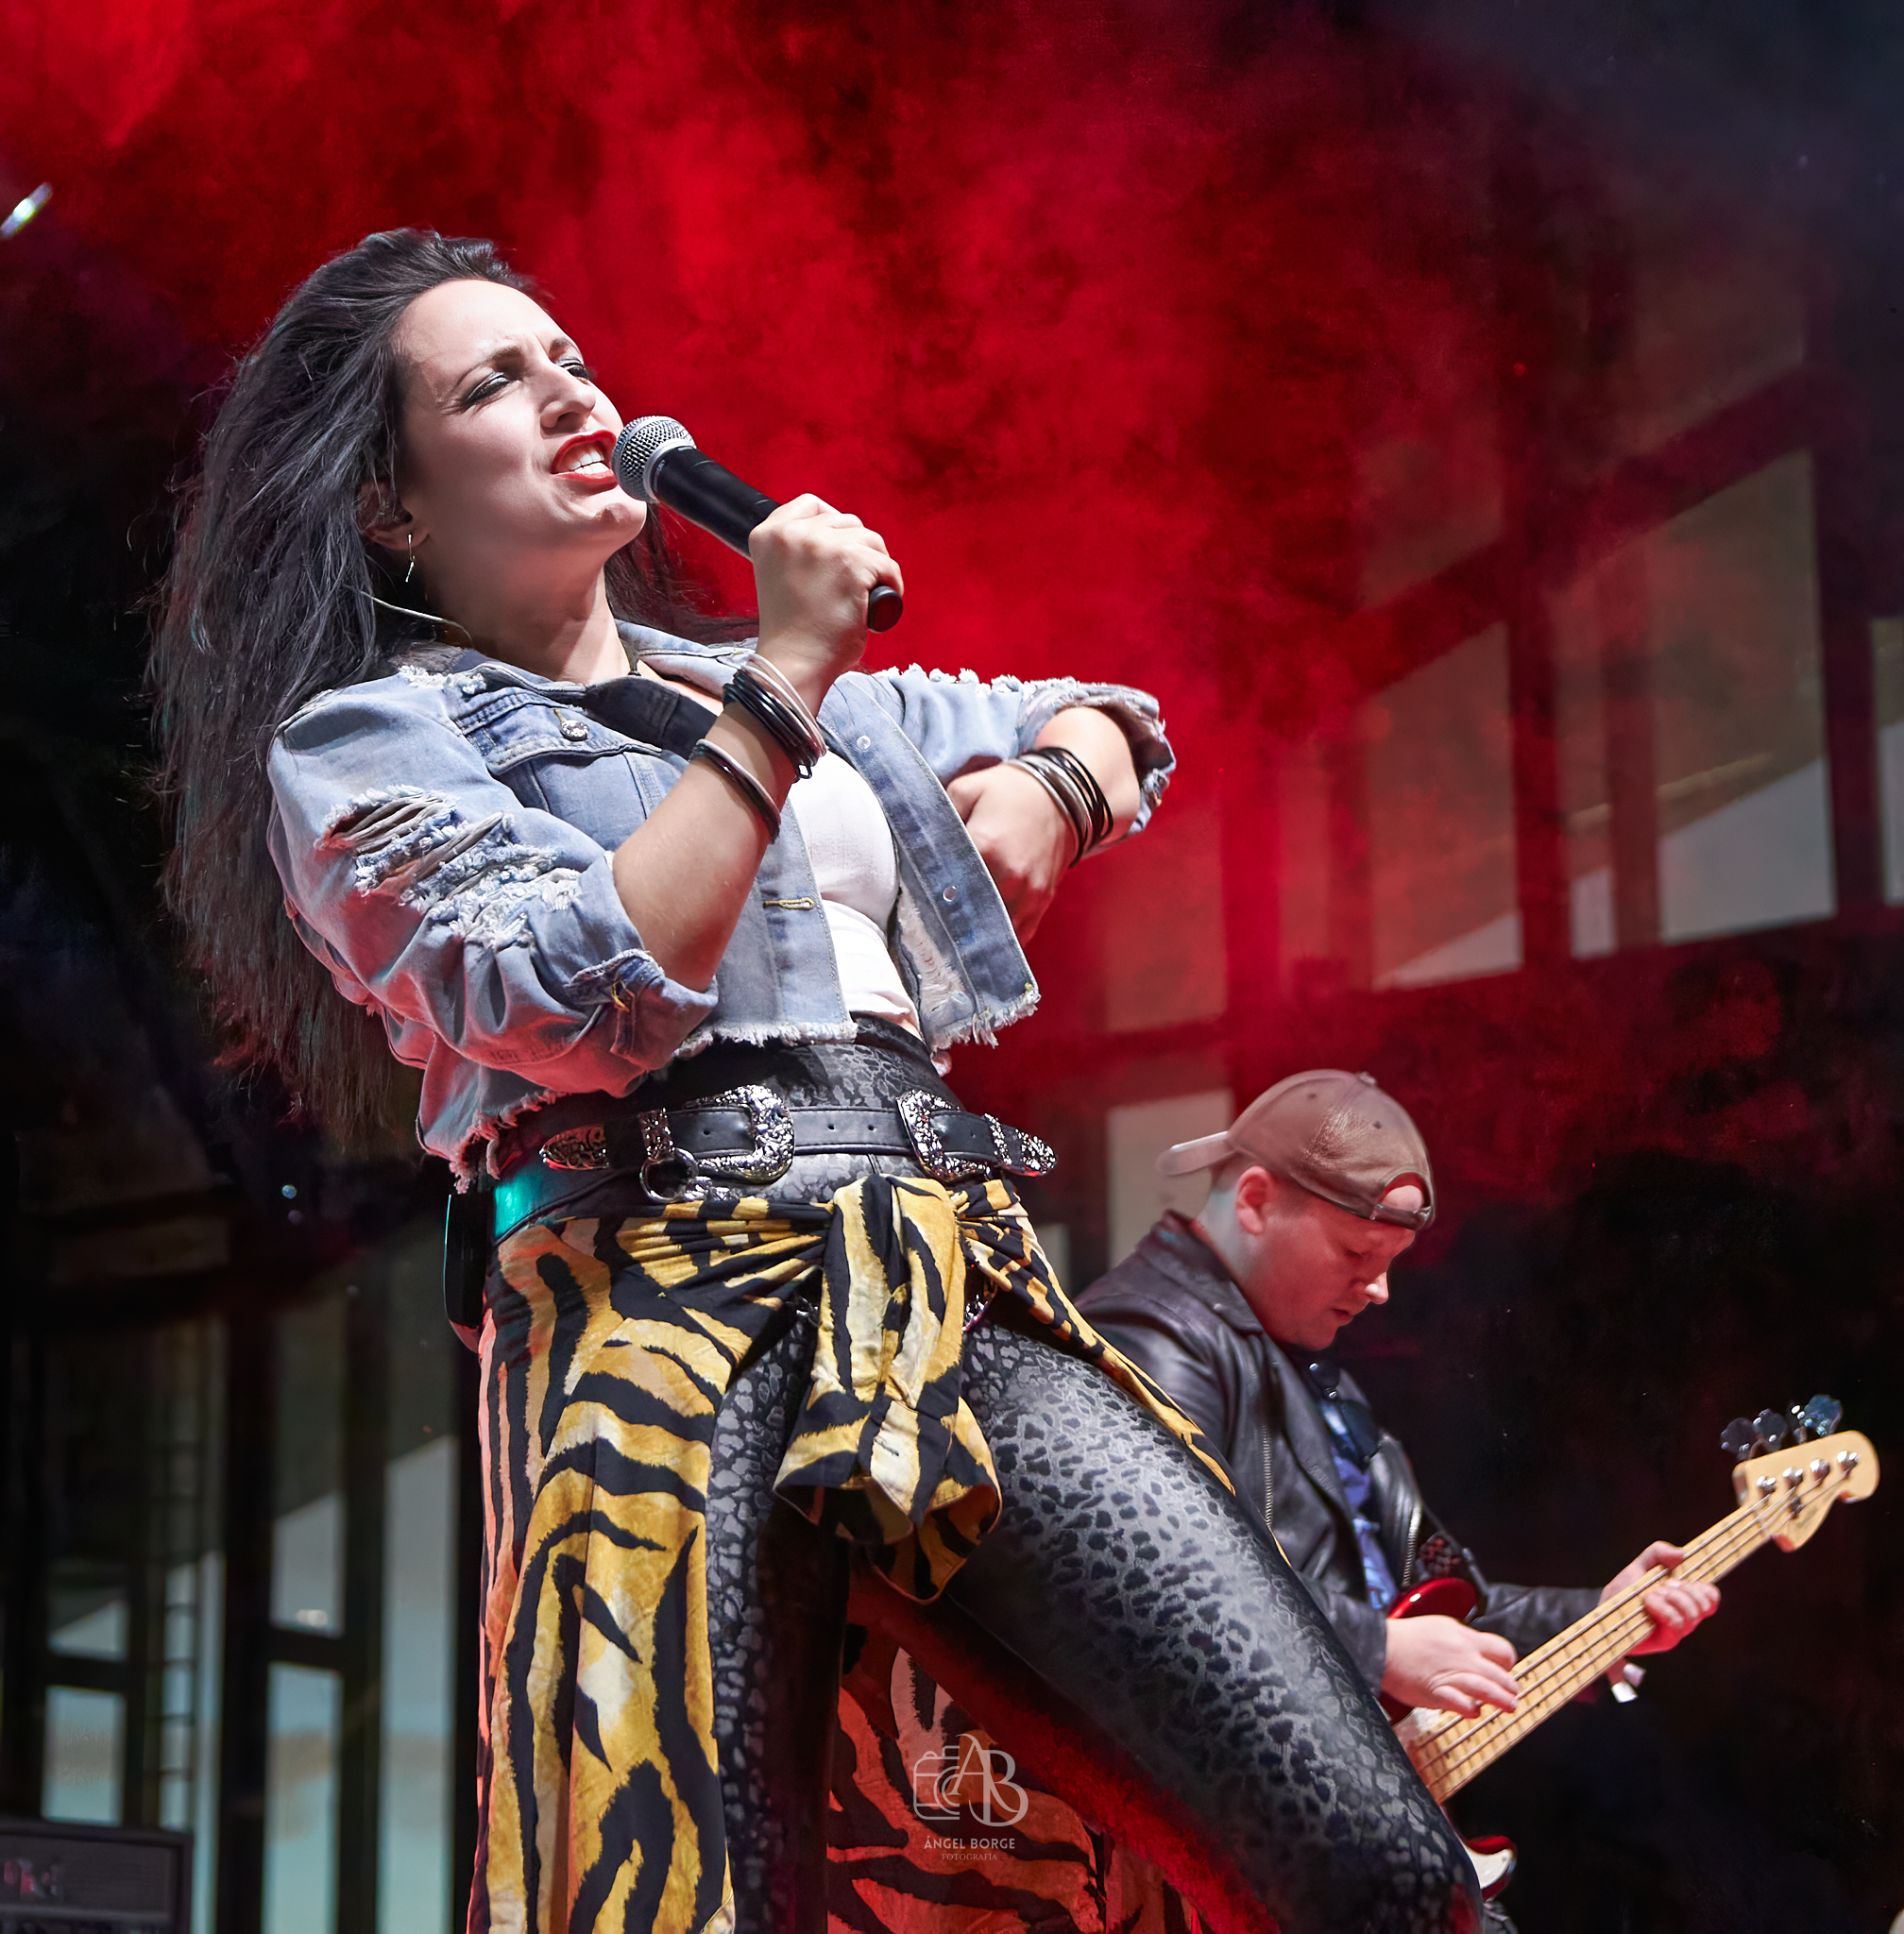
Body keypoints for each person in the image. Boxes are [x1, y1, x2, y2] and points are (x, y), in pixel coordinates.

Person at [149, 231, 1479, 1934]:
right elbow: (571, 989)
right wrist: (782, 683)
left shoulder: (773, 686)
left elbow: (1107, 710)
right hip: (650, 1312)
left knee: (1368, 1857)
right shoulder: (373, 740)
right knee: (696, 1898)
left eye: (568, 356)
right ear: (390, 508)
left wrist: (1054, 790)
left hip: (934, 1282)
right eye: (492, 381)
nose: (566, 390)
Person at [1077, 1069, 1720, 1732]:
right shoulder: (1150, 1336)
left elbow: (1441, 1605)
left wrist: (1598, 1617)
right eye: (1357, 1251)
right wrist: (1376, 1650)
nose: (1380, 1290)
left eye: (1391, 1261)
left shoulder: (1304, 1368)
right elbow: (1162, 1573)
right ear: (1255, 1201)